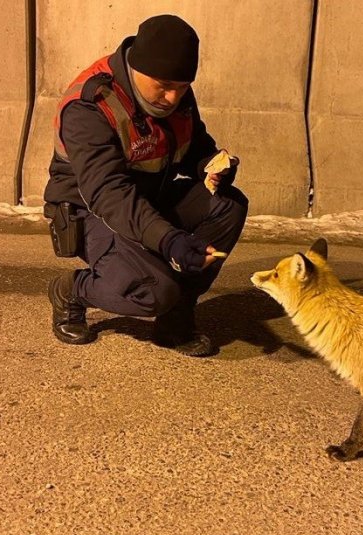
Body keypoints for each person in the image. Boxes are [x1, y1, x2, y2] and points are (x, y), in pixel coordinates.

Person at [43, 14, 248, 357]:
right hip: (92, 210)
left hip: (147, 199)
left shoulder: (176, 92)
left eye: (181, 88)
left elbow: (193, 145)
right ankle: (73, 289)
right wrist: (168, 239)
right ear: (137, 69)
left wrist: (210, 166)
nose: (171, 98)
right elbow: (109, 195)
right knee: (153, 292)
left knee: (228, 205)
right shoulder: (89, 106)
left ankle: (176, 316)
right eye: (164, 86)